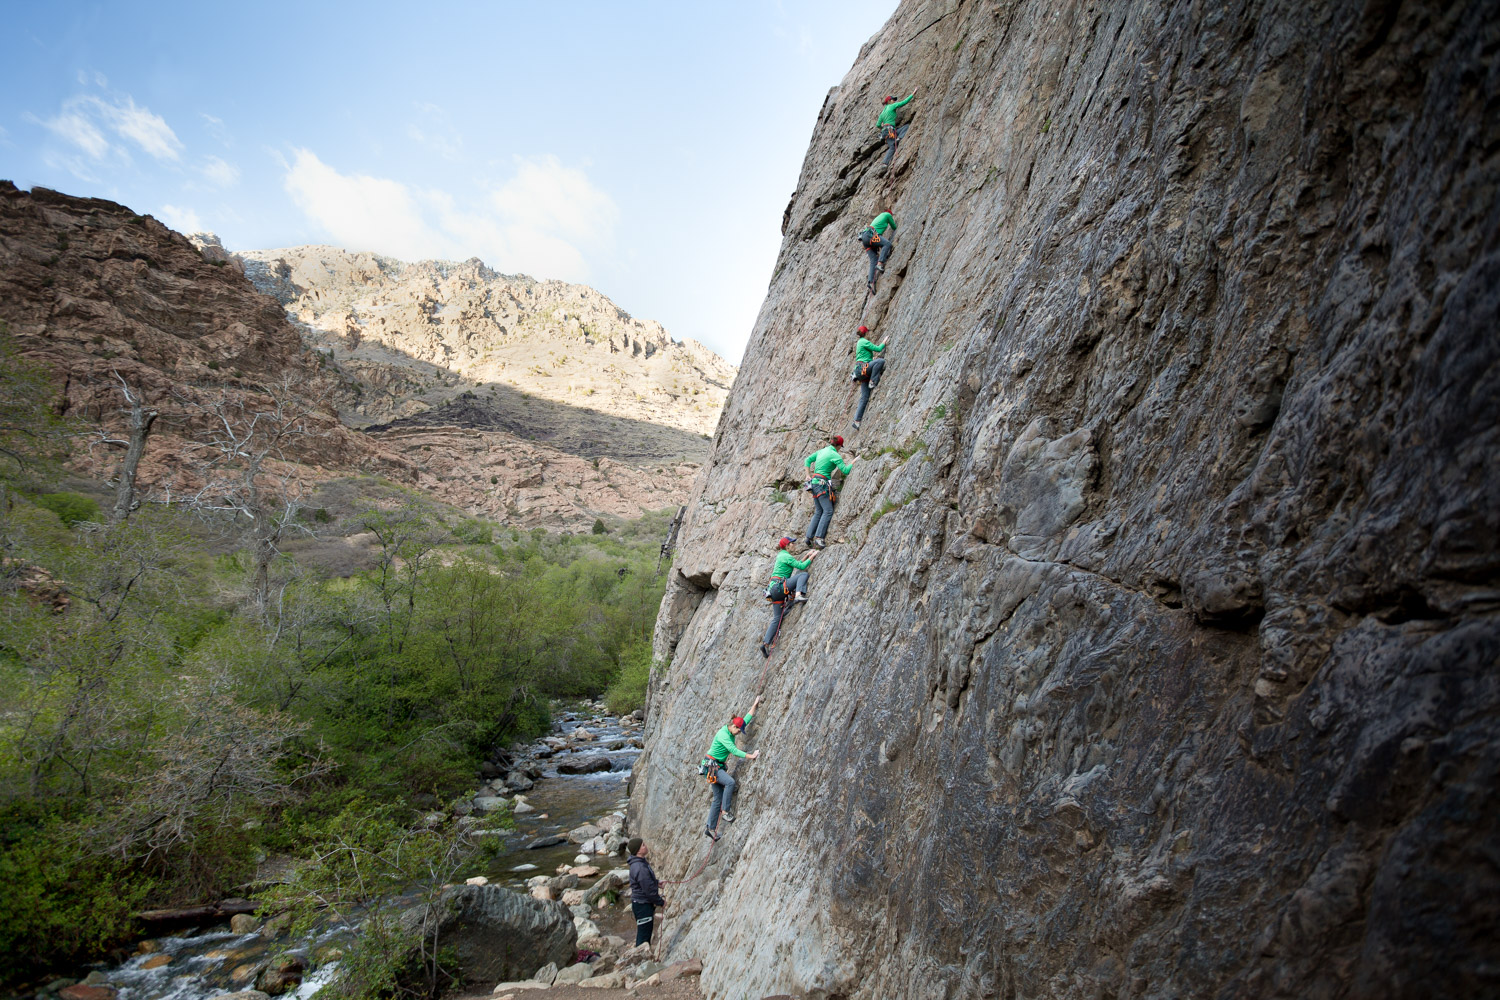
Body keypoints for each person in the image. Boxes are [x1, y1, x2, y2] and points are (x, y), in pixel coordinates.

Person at [702, 696, 761, 839]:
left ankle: (710, 828)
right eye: (739, 731)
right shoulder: (723, 735)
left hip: (714, 766)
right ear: (733, 727)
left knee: (717, 798)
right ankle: (726, 812)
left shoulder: (733, 728)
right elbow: (734, 751)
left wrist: (755, 704)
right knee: (730, 782)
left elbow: (746, 718)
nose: (739, 733)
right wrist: (751, 756)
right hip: (712, 766)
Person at [762, 536, 817, 657]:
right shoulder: (786, 556)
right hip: (779, 588)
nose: (794, 545)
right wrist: (813, 555)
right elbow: (801, 568)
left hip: (773, 591)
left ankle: (765, 643)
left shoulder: (781, 555)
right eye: (792, 543)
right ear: (787, 546)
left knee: (777, 617)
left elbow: (797, 564)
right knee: (803, 575)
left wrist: (808, 556)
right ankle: (798, 595)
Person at [804, 435, 854, 548]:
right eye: (841, 447)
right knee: (828, 511)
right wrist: (853, 462)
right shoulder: (834, 455)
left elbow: (807, 460)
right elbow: (845, 470)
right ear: (839, 446)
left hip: (814, 483)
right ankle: (819, 538)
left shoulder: (822, 451)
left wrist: (807, 475)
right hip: (822, 484)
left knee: (819, 511)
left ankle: (808, 537)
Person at [627, 837, 666, 947]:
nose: (646, 846)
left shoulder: (639, 863)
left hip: (642, 904)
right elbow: (648, 891)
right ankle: (640, 960)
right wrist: (661, 902)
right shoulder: (639, 867)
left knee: (645, 933)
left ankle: (642, 958)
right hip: (642, 906)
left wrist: (657, 882)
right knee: (644, 937)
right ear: (638, 850)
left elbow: (645, 882)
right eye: (643, 845)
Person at [850, 325, 887, 429]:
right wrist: (884, 341)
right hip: (863, 369)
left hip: (860, 372)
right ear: (866, 333)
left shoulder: (859, 343)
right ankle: (873, 381)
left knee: (864, 397)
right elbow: (879, 348)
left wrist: (871, 359)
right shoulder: (863, 341)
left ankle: (857, 421)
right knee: (880, 361)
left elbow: (865, 357)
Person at [858, 211, 897, 294]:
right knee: (887, 244)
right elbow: (894, 227)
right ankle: (880, 264)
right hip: (870, 235)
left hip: (865, 238)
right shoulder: (887, 215)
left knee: (873, 259)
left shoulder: (878, 218)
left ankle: (871, 282)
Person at [878, 89, 918, 166]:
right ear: (889, 101)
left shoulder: (882, 113)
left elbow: (878, 124)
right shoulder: (892, 106)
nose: (894, 101)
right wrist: (912, 94)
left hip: (885, 132)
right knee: (906, 127)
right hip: (891, 130)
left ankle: (884, 163)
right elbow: (903, 102)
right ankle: (899, 138)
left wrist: (882, 126)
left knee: (892, 148)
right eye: (893, 100)